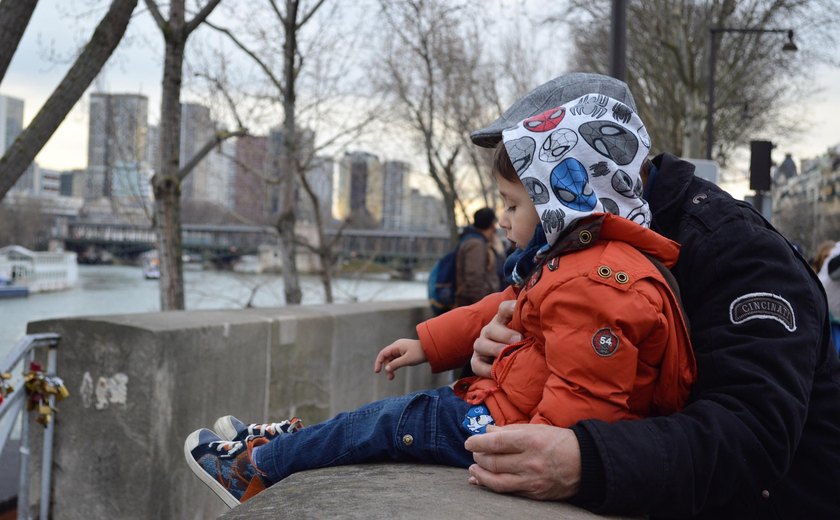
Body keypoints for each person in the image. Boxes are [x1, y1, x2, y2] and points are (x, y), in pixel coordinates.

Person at [182, 96, 697, 508]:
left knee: (389, 422)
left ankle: (254, 468)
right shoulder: (580, 265)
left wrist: (527, 456)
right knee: (382, 420)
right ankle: (283, 445)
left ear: (559, 205)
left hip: (501, 424)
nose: (505, 220)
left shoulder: (598, 281)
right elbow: (501, 306)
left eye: (514, 206)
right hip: (501, 407)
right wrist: (428, 343)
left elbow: (586, 399)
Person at [463, 72, 840, 519]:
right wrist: (511, 350)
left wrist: (588, 460)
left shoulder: (739, 251)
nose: (524, 212)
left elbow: (754, 434)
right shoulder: (579, 250)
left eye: (535, 183)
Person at [455, 207, 502, 307]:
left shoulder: (477, 241)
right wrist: (483, 307)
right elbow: (474, 280)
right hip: (478, 306)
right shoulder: (476, 245)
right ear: (492, 224)